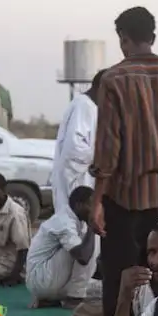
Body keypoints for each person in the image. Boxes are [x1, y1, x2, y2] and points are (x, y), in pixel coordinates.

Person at [90, 6, 158, 316]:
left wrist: (97, 202)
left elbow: (109, 147)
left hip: (126, 195)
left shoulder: (114, 79)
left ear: (123, 39)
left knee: (121, 277)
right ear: (153, 37)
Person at [26, 186, 98, 307]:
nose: (95, 210)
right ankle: (75, 297)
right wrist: (93, 226)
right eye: (92, 205)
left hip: (48, 280)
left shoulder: (75, 219)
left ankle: (54, 299)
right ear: (79, 205)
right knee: (91, 240)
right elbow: (83, 258)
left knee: (100, 289)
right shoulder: (64, 222)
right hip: (41, 279)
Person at [52, 70, 102, 222]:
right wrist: (99, 160)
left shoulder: (87, 105)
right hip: (77, 181)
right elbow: (74, 149)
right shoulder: (84, 106)